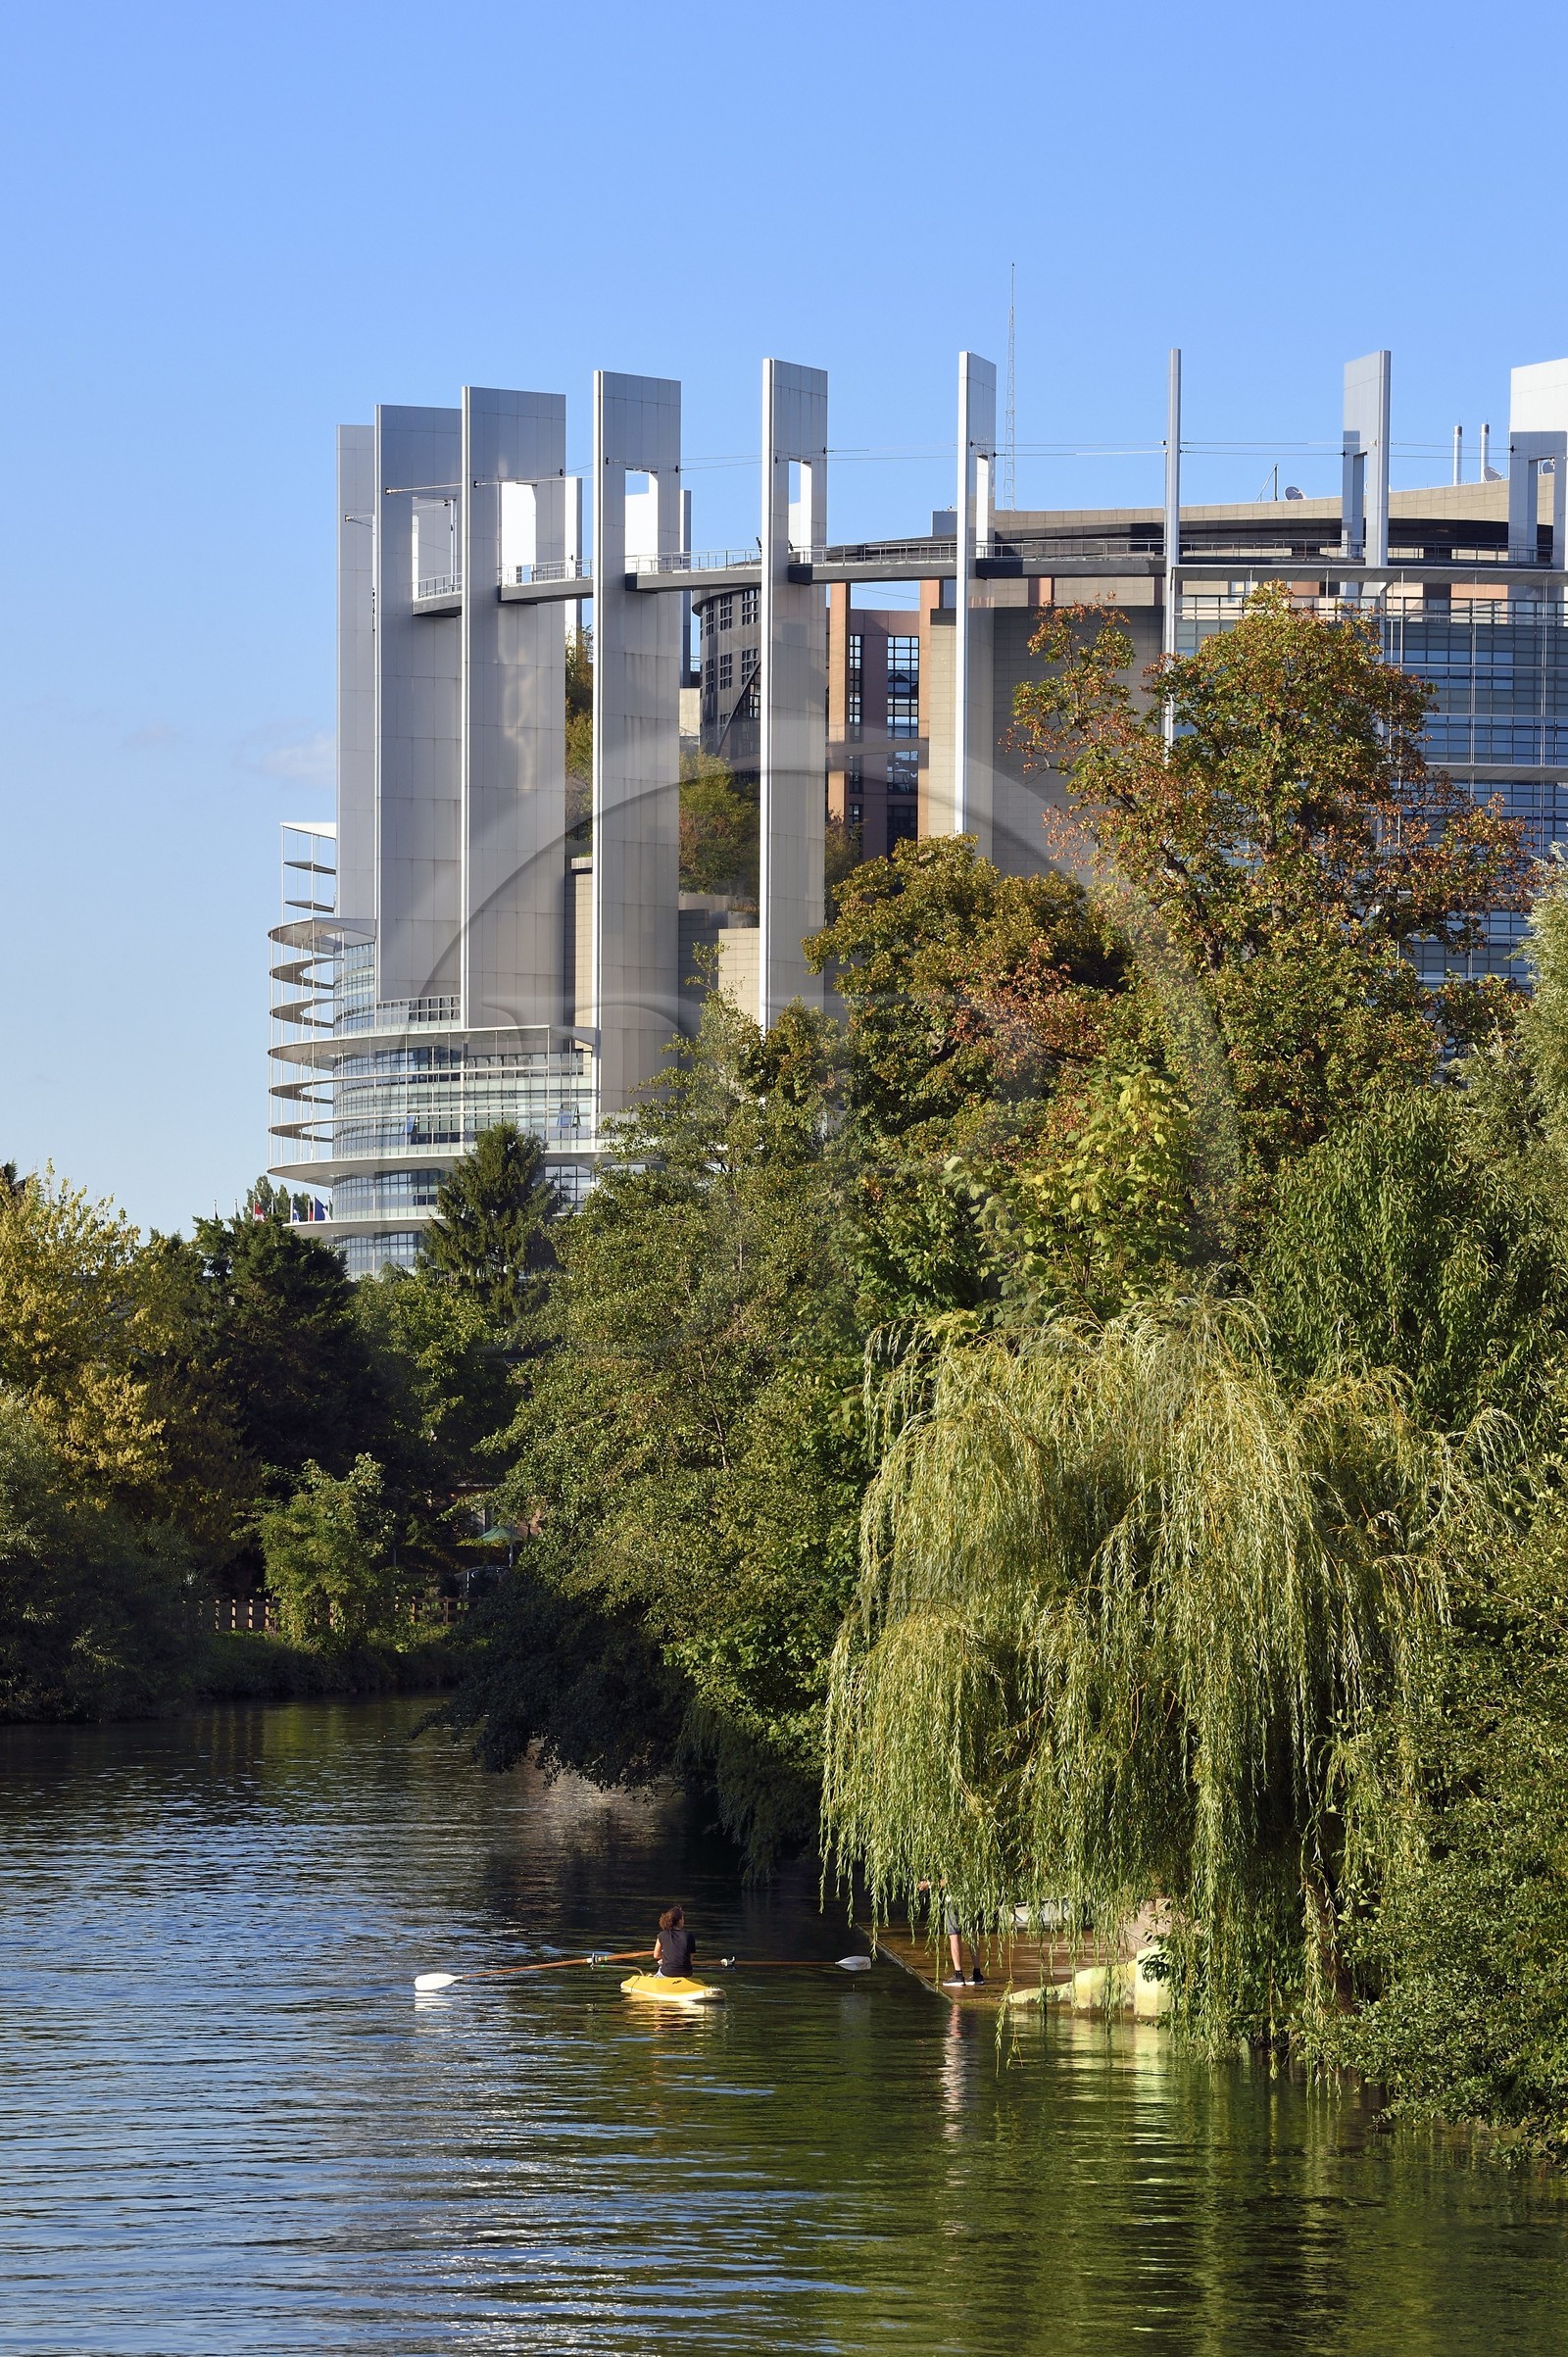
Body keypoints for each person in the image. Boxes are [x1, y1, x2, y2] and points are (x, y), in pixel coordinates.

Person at [917, 1879, 983, 1987]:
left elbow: (949, 1881)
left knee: (954, 1935)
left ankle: (958, 1975)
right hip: (970, 1898)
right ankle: (977, 1974)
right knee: (972, 1934)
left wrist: (928, 1884)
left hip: (954, 1900)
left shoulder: (956, 1864)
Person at [652, 1904, 697, 1978]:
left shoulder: (662, 1935)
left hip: (667, 1972)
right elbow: (689, 1959)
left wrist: (665, 1958)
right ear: (679, 1921)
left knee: (658, 1971)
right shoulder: (689, 1936)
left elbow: (656, 1955)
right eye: (683, 1919)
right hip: (686, 1973)